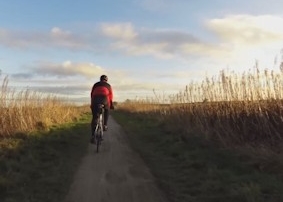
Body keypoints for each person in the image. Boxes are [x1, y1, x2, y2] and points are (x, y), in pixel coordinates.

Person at [90, 75, 114, 144]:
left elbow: (92, 94)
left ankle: (92, 136)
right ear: (106, 80)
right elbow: (110, 97)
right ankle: (105, 125)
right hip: (104, 99)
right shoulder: (108, 85)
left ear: (100, 79)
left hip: (95, 100)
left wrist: (92, 104)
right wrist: (110, 105)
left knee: (95, 117)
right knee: (107, 110)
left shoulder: (95, 84)